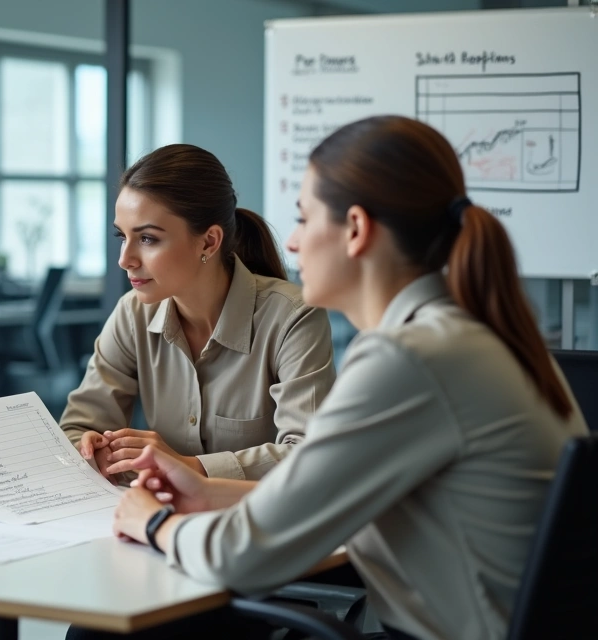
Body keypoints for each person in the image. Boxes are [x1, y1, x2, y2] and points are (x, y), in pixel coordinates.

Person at [111, 116, 589, 640]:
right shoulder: (464, 335)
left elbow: (239, 559)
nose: (290, 243)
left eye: (304, 218)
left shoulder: (408, 359)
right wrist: (206, 493)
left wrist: (151, 523)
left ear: (356, 230)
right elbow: (316, 495)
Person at [61, 144, 336, 482]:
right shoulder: (132, 313)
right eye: (123, 236)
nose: (125, 259)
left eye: (147, 238)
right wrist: (89, 447)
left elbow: (309, 455)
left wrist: (187, 467)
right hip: (156, 519)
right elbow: (79, 426)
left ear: (208, 242)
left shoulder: (293, 316)